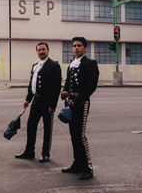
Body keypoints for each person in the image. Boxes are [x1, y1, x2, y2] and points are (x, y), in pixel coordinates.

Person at [15, 42, 61, 162]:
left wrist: (52, 105)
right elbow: (32, 84)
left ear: (48, 51)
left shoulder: (54, 65)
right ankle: (29, 151)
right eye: (39, 50)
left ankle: (45, 153)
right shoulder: (35, 64)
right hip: (36, 100)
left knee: (47, 128)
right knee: (31, 126)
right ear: (37, 52)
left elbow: (56, 88)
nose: (41, 52)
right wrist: (27, 99)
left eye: (43, 49)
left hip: (47, 102)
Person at [60, 37, 99, 180]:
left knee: (81, 136)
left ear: (85, 48)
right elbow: (67, 83)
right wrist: (64, 93)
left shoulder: (90, 63)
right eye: (74, 45)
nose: (76, 48)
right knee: (73, 136)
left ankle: (88, 168)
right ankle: (77, 164)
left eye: (79, 45)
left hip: (81, 103)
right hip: (70, 103)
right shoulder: (71, 64)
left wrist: (76, 99)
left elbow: (91, 86)